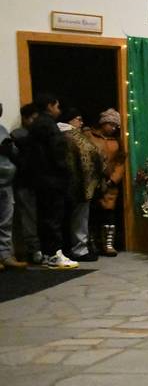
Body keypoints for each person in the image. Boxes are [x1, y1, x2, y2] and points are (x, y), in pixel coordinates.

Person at [29, 92, 79, 269]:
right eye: (57, 106)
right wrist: (66, 172)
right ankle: (54, 254)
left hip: (41, 178)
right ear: (50, 106)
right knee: (53, 216)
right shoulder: (48, 125)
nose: (59, 110)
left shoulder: (36, 124)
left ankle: (47, 253)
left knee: (45, 216)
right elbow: (57, 153)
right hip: (52, 178)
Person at [59, 108, 102, 261]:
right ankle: (80, 249)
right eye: (78, 119)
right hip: (79, 183)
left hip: (64, 183)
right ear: (70, 120)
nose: (81, 122)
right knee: (79, 218)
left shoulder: (58, 135)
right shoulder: (73, 136)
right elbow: (90, 154)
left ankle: (66, 248)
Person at [86, 108, 124, 257]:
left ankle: (108, 244)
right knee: (92, 213)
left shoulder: (116, 142)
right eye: (111, 124)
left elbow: (120, 163)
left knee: (109, 213)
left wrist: (113, 179)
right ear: (103, 123)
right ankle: (92, 242)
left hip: (110, 184)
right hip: (93, 182)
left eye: (116, 126)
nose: (113, 128)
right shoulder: (89, 136)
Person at [11, 103, 41, 264]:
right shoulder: (18, 135)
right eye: (33, 119)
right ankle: (32, 249)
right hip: (25, 181)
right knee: (28, 217)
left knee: (36, 216)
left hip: (38, 181)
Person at [0, 102, 27, 271]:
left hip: (7, 180)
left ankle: (5, 255)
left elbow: (13, 151)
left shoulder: (2, 129)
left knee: (6, 221)